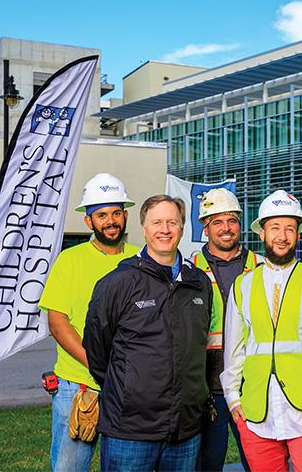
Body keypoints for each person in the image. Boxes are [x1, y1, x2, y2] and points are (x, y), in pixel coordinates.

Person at [83, 195, 213, 472]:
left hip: (185, 429)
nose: (165, 229)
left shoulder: (199, 283)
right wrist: (128, 388)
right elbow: (97, 351)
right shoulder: (118, 283)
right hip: (130, 430)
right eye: (157, 222)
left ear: (182, 228)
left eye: (172, 222)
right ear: (144, 228)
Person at [220, 190, 302, 472]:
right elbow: (234, 350)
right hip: (256, 413)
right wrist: (233, 399)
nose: (282, 236)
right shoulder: (242, 286)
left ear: (298, 234)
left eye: (290, 228)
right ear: (262, 233)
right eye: (275, 228)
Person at [38, 173, 138, 471]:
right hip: (79, 386)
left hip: (132, 388)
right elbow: (57, 323)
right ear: (88, 221)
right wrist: (99, 366)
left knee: (128, 466)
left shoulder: (141, 258)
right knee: (70, 467)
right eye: (101, 215)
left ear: (126, 215)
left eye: (116, 213)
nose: (111, 221)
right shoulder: (70, 260)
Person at [194, 188, 263, 472]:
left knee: (261, 463)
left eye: (232, 220)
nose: (226, 228)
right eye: (217, 222)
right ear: (206, 228)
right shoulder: (189, 269)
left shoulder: (262, 266)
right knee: (207, 464)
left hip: (254, 383)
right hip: (207, 385)